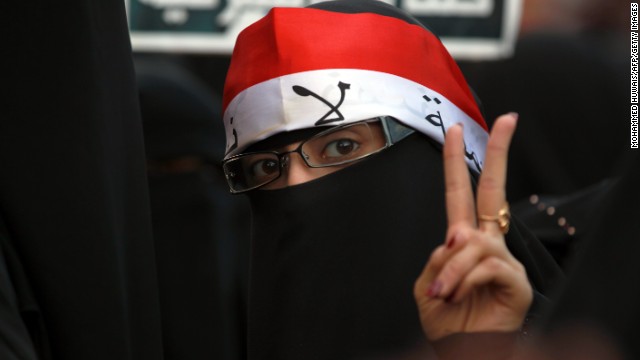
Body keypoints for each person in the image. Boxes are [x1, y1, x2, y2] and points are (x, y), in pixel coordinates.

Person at [220, 1, 562, 358]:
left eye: (341, 146)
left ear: (431, 149)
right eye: (265, 168)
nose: (298, 187)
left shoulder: (577, 336)